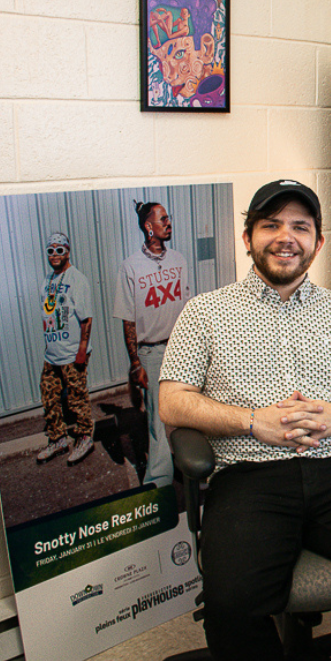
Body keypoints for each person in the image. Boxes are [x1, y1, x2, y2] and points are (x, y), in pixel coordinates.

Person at [159, 180, 331, 661]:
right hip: (248, 476)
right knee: (232, 606)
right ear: (248, 238)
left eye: (300, 227)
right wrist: (251, 420)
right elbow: (172, 402)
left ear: (318, 243)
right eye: (271, 225)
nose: (285, 237)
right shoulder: (205, 312)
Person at [113, 200, 190, 488]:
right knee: (157, 419)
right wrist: (136, 364)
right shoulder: (130, 267)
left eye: (169, 218)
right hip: (151, 352)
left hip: (180, 347)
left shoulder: (178, 260)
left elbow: (186, 307)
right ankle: (160, 479)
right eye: (163, 219)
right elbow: (128, 320)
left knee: (188, 410)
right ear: (148, 227)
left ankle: (191, 466)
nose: (169, 223)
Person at [37, 232, 96, 465]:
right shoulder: (47, 281)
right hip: (52, 354)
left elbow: (86, 319)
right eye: (50, 250)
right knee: (49, 397)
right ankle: (58, 438)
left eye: (59, 250)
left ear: (67, 252)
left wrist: (82, 350)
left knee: (76, 398)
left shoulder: (77, 279)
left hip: (73, 353)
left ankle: (84, 437)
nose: (54, 254)